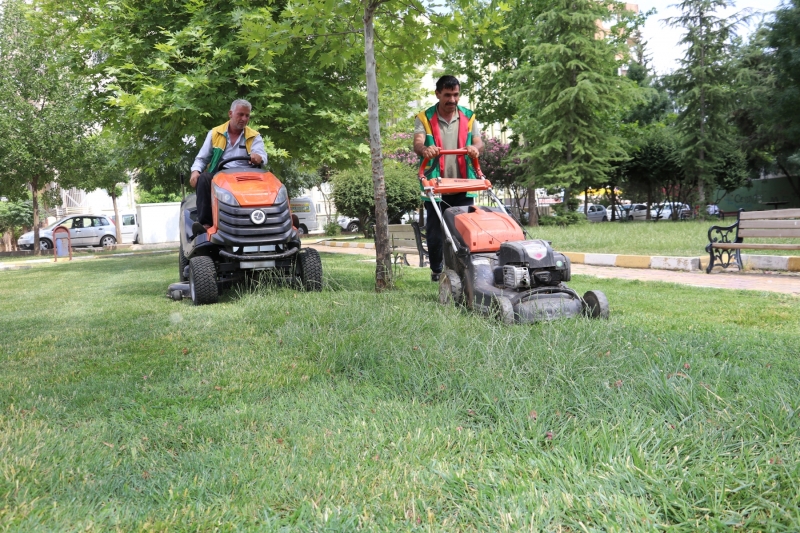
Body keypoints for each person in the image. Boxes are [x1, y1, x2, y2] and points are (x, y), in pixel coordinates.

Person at [413, 75, 484, 281]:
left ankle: (464, 271)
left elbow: (480, 143)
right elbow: (417, 144)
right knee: (435, 234)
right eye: (447, 95)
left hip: (462, 184)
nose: (452, 99)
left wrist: (474, 148)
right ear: (438, 94)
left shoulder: (469, 117)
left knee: (464, 232)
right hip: (435, 185)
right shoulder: (424, 118)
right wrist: (426, 149)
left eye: (455, 95)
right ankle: (437, 271)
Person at [189, 99, 269, 232]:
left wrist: (258, 158)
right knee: (203, 178)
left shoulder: (254, 136)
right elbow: (201, 158)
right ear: (230, 114)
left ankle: (274, 218)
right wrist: (195, 171)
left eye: (247, 115)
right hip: (221, 175)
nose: (244, 118)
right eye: (240, 114)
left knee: (272, 182)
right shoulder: (215, 133)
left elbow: (263, 157)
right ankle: (205, 225)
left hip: (247, 176)